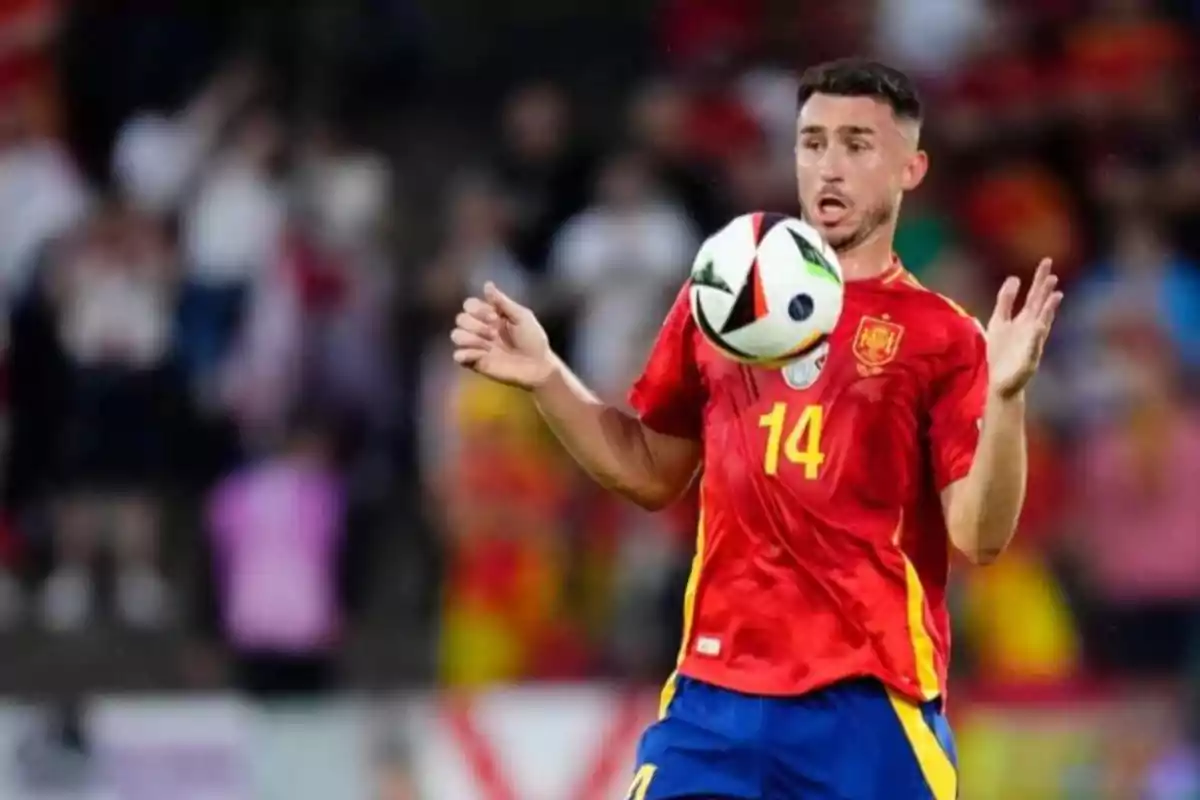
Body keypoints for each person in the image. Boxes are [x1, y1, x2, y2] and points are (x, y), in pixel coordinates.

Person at [450, 59, 1063, 800]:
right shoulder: (725, 291)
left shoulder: (942, 336)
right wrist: (549, 375)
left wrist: (1006, 399)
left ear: (911, 167)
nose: (828, 167)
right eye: (812, 143)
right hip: (715, 702)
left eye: (857, 145)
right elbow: (649, 470)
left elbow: (979, 535)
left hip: (869, 707)